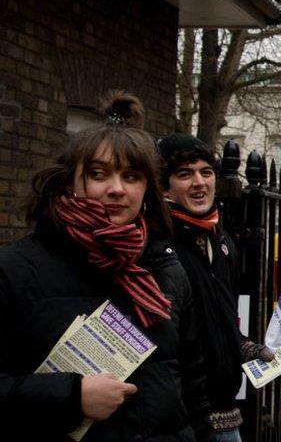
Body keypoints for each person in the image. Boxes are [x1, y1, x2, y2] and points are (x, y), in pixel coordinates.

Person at [0, 92, 214, 441]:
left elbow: (191, 385)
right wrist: (71, 396)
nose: (116, 189)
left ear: (147, 189)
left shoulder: (167, 271)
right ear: (70, 180)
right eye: (99, 174)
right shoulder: (15, 269)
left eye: (131, 177)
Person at [157, 133, 274, 442]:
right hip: (186, 422)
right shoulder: (157, 248)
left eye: (206, 172)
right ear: (164, 187)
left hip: (227, 413)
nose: (200, 182)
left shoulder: (221, 242)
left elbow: (222, 320)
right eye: (185, 174)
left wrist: (249, 347)